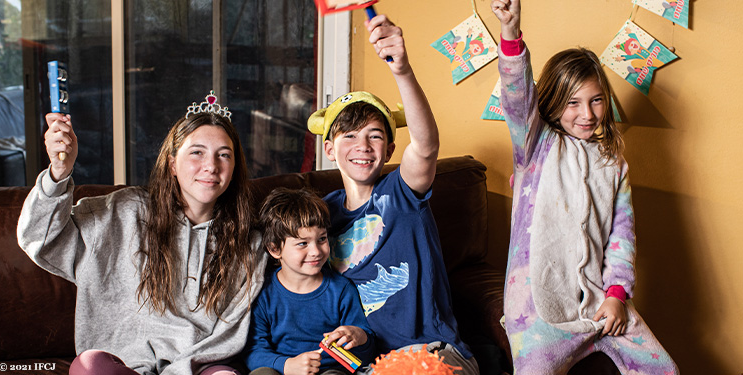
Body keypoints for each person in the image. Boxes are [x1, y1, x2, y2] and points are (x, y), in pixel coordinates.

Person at [17, 91, 267, 375]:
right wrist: (59, 172)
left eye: (224, 155)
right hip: (122, 365)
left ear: (233, 169)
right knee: (88, 367)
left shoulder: (250, 242)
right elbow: (40, 239)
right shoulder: (123, 211)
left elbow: (230, 333)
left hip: (198, 368)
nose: (211, 166)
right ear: (172, 164)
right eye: (197, 152)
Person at [491, 1, 679, 374]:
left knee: (664, 369)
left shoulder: (614, 163)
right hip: (537, 313)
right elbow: (516, 97)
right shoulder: (535, 147)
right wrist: (511, 32)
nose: (588, 114)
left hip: (597, 304)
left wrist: (616, 296)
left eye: (596, 100)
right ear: (554, 102)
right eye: (573, 103)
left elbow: (621, 239)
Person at [306, 14, 479, 375]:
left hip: (432, 354)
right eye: (349, 136)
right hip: (365, 362)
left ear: (389, 149)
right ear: (329, 148)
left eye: (374, 135)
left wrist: (401, 70)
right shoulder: (322, 215)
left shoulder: (400, 193)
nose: (363, 146)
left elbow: (427, 145)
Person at [243, 187, 375, 375]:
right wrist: (287, 365)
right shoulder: (263, 292)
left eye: (321, 239)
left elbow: (367, 352)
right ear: (274, 249)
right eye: (302, 243)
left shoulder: (341, 290)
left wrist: (359, 336)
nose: (316, 251)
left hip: (330, 370)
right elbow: (253, 351)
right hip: (282, 370)